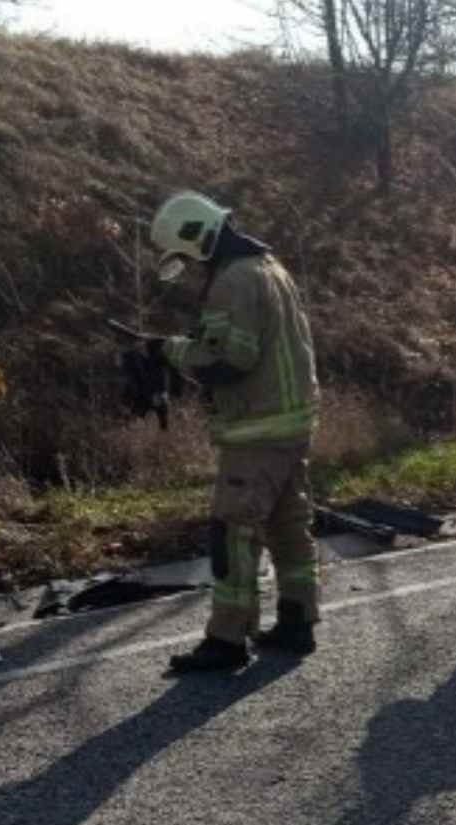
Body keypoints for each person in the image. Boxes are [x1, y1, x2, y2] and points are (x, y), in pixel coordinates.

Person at [148, 190, 322, 674]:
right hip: (293, 422)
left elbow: (230, 360)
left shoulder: (233, 280)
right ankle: (298, 620)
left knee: (234, 535)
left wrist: (170, 351)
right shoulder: (271, 267)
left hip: (255, 432)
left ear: (195, 237)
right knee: (289, 526)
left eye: (185, 256)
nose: (189, 266)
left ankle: (227, 640)